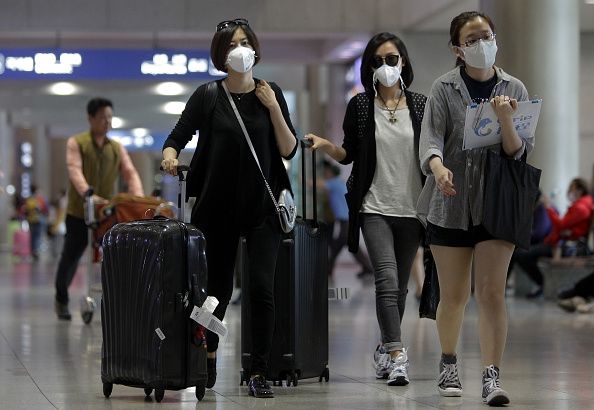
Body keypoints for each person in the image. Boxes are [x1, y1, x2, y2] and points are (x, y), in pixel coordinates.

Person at [161, 18, 297, 398]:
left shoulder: (272, 94)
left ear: (255, 49)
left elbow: (288, 149)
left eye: (244, 42)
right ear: (221, 55)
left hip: (262, 211)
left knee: (260, 288)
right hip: (216, 209)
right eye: (231, 44)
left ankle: (258, 371)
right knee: (215, 291)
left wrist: (272, 109)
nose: (240, 49)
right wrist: (170, 155)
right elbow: (176, 137)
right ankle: (208, 354)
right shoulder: (208, 96)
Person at [417, 11, 535, 406]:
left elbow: (518, 153)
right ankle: (448, 363)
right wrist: (437, 168)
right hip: (449, 202)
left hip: (497, 205)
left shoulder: (514, 87)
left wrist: (506, 120)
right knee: (453, 296)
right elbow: (430, 139)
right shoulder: (443, 88)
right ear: (458, 48)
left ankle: (491, 376)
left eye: (487, 35)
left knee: (491, 293)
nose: (482, 43)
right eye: (472, 39)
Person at [305, 32, 427, 386]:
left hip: (412, 209)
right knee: (386, 279)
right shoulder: (360, 106)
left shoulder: (420, 105)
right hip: (374, 206)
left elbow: (431, 149)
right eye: (377, 61)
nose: (385, 66)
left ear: (403, 61)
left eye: (391, 59)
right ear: (368, 68)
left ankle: (383, 348)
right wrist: (327, 145)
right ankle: (397, 354)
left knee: (400, 288)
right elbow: (349, 153)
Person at [54, 97, 143, 320]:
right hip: (79, 212)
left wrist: (137, 196)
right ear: (90, 118)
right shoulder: (77, 142)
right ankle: (62, 300)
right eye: (102, 117)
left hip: (105, 214)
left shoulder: (116, 148)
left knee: (110, 257)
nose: (107, 122)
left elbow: (130, 173)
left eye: (110, 118)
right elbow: (74, 169)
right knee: (71, 257)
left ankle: (112, 299)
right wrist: (87, 193)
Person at [515, 178, 593, 298]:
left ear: (580, 190)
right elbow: (562, 228)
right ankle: (542, 284)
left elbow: (560, 225)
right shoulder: (581, 205)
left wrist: (548, 207)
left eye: (571, 188)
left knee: (522, 254)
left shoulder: (581, 208)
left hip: (571, 247)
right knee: (522, 253)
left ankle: (543, 284)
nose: (568, 191)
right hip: (563, 243)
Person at [321, 160, 373, 279]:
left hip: (346, 220)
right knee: (349, 244)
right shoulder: (339, 182)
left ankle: (328, 268)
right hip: (347, 219)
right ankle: (367, 267)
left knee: (339, 244)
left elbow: (316, 183)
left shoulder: (333, 182)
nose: (325, 174)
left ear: (331, 174)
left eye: (326, 172)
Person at [21, 184, 49, 260]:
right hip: (38, 220)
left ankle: (33, 251)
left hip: (31, 220)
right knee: (37, 236)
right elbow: (46, 209)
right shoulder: (40, 199)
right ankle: (35, 251)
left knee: (33, 237)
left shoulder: (28, 199)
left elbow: (25, 210)